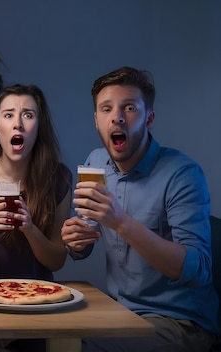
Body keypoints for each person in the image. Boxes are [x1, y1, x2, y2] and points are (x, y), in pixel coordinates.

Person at [61, 66, 219, 352]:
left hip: (179, 323)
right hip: (120, 313)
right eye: (106, 109)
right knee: (47, 339)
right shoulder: (96, 162)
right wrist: (77, 240)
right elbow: (84, 241)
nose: (117, 117)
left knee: (74, 348)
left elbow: (198, 270)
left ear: (149, 118)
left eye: (130, 107)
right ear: (97, 120)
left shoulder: (182, 174)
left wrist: (122, 222)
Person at [0, 84, 71, 352]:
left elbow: (57, 260)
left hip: (41, 304)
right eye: (8, 115)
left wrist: (29, 228)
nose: (18, 124)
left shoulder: (59, 177)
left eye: (28, 115)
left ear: (39, 126)